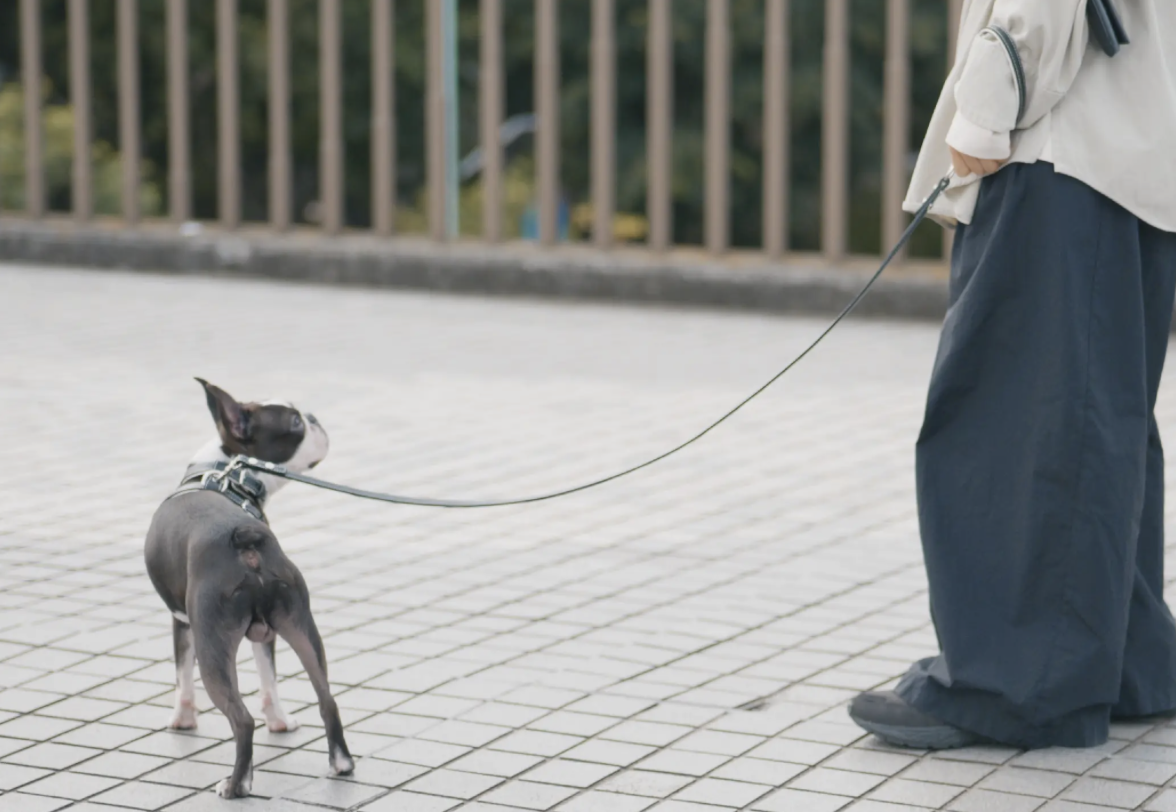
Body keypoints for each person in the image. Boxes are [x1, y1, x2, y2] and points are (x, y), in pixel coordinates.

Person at [848, 0, 1176, 750]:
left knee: (1015, 417)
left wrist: (990, 99)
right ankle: (1124, 661)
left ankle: (1012, 686)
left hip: (1057, 147)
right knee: (1098, 418)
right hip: (1130, 145)